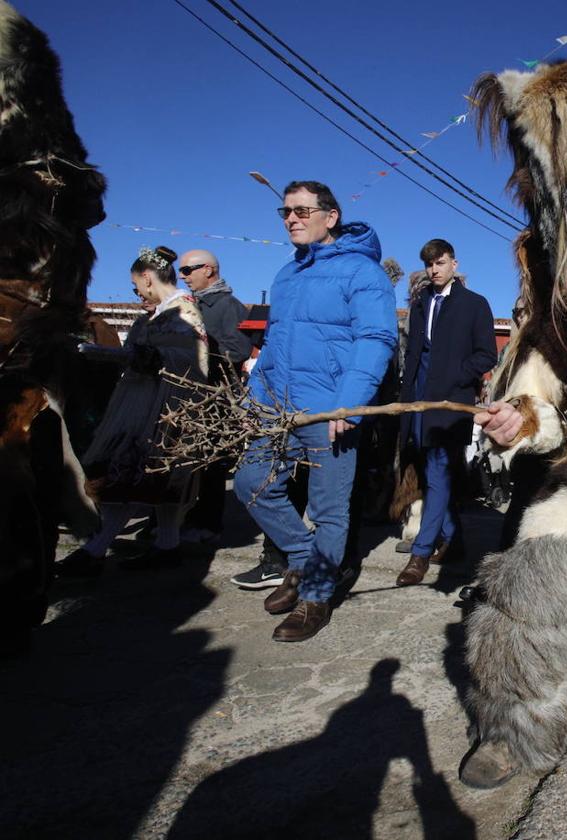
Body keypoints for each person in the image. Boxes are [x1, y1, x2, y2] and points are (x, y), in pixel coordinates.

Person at [232, 181, 396, 642]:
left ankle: (317, 597)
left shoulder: (363, 273)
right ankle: (306, 564)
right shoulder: (286, 276)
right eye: (285, 211)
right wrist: (252, 400)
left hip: (330, 413)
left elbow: (376, 339)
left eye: (303, 210)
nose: (292, 218)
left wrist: (351, 402)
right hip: (277, 409)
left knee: (329, 509)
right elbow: (273, 346)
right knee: (250, 484)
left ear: (332, 215)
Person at [58, 246, 208, 575]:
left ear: (146, 277)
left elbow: (197, 363)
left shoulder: (184, 310)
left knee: (150, 479)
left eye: (135, 285)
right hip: (140, 404)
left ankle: (100, 551)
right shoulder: (151, 316)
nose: (137, 292)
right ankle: (160, 547)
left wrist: (141, 358)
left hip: (168, 408)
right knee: (132, 477)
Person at [393, 239, 496, 587]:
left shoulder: (474, 304)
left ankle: (420, 553)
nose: (434, 269)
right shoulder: (420, 303)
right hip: (417, 403)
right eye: (430, 265)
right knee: (429, 472)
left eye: (440, 263)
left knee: (437, 475)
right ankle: (456, 541)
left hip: (450, 405)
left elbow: (487, 355)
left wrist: (455, 376)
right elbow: (414, 354)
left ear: (454, 263)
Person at [176, 249, 252, 545]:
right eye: (181, 271)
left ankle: (208, 523)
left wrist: (203, 351)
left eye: (188, 270)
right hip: (191, 396)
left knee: (211, 463)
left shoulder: (228, 306)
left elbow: (240, 350)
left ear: (209, 270)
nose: (183, 276)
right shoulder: (191, 305)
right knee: (189, 463)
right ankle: (184, 519)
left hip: (216, 398)